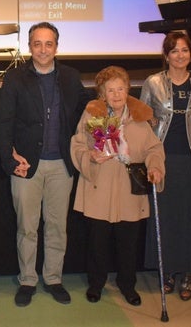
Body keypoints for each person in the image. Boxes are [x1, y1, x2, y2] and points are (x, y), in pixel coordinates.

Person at [0, 22, 91, 307]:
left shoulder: (71, 77)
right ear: (29, 47)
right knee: (27, 227)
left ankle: (53, 278)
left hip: (62, 165)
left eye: (48, 44)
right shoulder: (14, 79)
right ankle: (27, 279)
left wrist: (100, 138)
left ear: (57, 47)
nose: (43, 49)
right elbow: (4, 123)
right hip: (27, 166)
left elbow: (87, 113)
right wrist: (10, 160)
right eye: (37, 44)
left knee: (57, 227)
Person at [71, 65, 165, 306]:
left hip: (128, 189)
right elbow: (78, 144)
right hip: (99, 185)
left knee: (128, 244)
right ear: (102, 93)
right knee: (97, 243)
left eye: (120, 89)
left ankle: (127, 285)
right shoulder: (92, 115)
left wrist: (155, 167)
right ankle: (96, 283)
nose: (116, 94)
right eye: (110, 90)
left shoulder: (139, 117)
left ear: (127, 90)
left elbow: (154, 148)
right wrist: (91, 155)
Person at [141, 32, 191, 301]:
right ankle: (166, 271)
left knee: (190, 216)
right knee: (164, 216)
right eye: (174, 51)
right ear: (166, 55)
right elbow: (142, 118)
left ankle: (188, 271)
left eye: (185, 50)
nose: (180, 55)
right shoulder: (153, 82)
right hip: (162, 157)